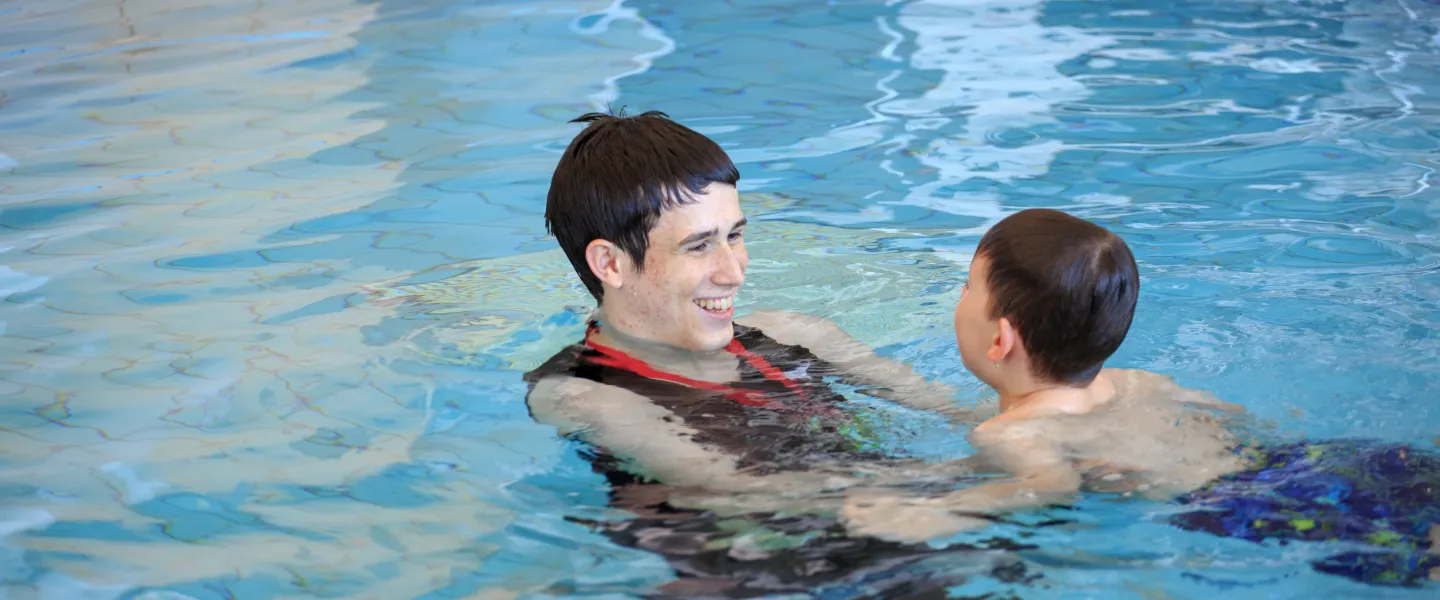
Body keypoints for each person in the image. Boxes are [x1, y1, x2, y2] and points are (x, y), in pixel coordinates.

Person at [522, 110, 1030, 597]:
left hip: (914, 539)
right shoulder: (581, 393)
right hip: (755, 574)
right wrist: (996, 481)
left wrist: (1064, 422)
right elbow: (740, 489)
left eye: (735, 235)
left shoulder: (795, 335)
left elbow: (955, 409)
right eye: (699, 246)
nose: (734, 271)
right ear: (610, 263)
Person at [841, 208, 1440, 588]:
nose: (959, 298)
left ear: (1001, 339)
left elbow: (1048, 487)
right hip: (1300, 461)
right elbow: (1227, 418)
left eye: (966, 287)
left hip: (1245, 509)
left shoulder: (1010, 434)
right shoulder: (1135, 382)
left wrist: (940, 510)